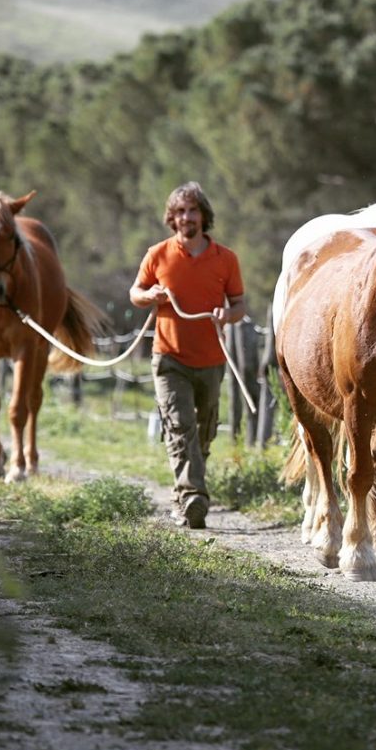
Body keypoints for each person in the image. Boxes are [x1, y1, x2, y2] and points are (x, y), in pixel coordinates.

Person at [129, 182, 246, 529]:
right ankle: (194, 496)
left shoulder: (226, 259)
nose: (186, 217)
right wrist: (150, 294)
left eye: (192, 210)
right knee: (180, 426)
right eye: (180, 211)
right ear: (172, 217)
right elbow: (134, 292)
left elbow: (239, 304)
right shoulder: (158, 254)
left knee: (204, 432)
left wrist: (228, 314)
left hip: (212, 359)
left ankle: (183, 495)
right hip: (169, 358)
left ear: (203, 215)